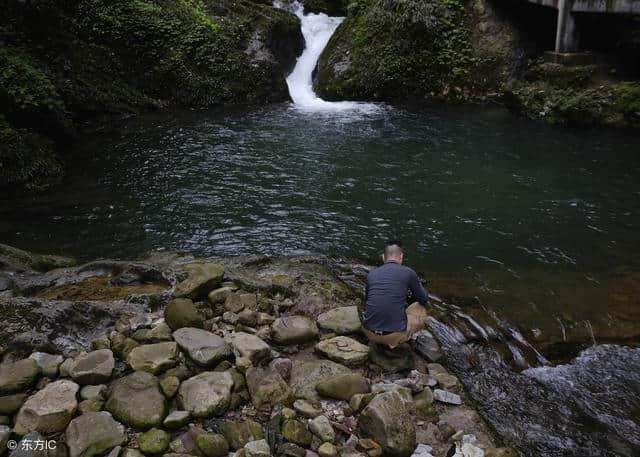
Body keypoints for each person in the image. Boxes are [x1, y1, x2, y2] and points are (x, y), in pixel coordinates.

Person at [362, 241, 429, 352]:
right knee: (420, 307)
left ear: (383, 257)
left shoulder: (371, 274)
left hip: (368, 332)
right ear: (401, 257)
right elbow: (424, 299)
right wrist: (419, 285)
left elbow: (368, 300)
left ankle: (378, 340)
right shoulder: (408, 272)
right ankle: (396, 342)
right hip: (392, 337)